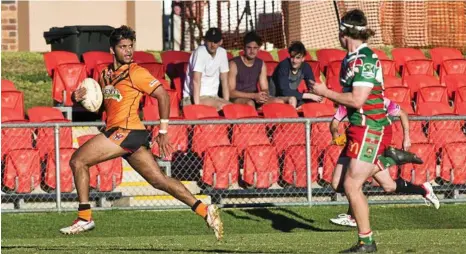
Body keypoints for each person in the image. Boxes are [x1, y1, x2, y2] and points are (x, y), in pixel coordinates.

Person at [60, 26, 223, 241]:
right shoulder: (105, 74)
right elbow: (100, 105)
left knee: (78, 161)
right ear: (112, 49)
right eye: (123, 47)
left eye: (130, 46)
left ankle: (84, 217)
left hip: (127, 131)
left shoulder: (135, 72)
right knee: (159, 181)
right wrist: (78, 97)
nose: (128, 51)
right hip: (123, 134)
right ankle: (204, 210)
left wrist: (163, 131)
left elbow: (163, 96)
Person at [310, 9, 403, 252]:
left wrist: (325, 92)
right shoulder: (349, 60)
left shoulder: (365, 59)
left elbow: (358, 100)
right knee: (338, 183)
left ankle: (366, 242)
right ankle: (383, 162)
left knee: (353, 186)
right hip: (357, 128)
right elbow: (348, 100)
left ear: (344, 33)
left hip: (370, 127)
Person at [329, 99, 440, 228]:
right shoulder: (349, 100)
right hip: (353, 143)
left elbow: (402, 114)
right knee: (340, 184)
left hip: (370, 143)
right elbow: (335, 122)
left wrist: (406, 138)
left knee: (361, 183)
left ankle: (354, 217)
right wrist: (335, 134)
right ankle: (423, 189)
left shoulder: (380, 101)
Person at [228, 31, 297, 108]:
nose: (252, 51)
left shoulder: (261, 64)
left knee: (279, 102)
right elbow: (231, 92)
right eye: (249, 48)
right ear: (244, 48)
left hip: (255, 97)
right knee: (250, 104)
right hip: (238, 98)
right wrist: (253, 96)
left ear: (258, 49)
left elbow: (265, 88)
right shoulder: (234, 64)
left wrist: (262, 96)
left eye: (255, 48)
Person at [182, 27, 230, 111]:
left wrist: (227, 102)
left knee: (232, 107)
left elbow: (224, 80)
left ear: (221, 42)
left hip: (213, 97)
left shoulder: (222, 53)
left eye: (215, 41)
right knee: (223, 106)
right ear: (205, 40)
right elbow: (196, 81)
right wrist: (197, 108)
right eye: (210, 41)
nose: (213, 44)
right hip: (192, 98)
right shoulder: (200, 52)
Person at [270, 41, 322, 107]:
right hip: (275, 97)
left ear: (303, 58)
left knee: (318, 100)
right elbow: (284, 91)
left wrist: (316, 93)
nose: (294, 61)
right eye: (292, 57)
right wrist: (308, 95)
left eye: (297, 58)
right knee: (293, 99)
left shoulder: (306, 67)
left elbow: (312, 86)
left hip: (292, 96)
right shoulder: (283, 66)